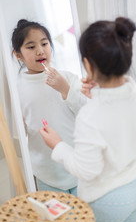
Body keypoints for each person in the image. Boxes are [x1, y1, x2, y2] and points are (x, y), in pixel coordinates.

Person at [40, 17, 136, 222]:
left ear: (87, 64)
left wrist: (58, 145)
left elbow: (86, 170)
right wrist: (98, 90)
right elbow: (117, 119)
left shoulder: (90, 115)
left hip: (108, 199)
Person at [11, 19, 86, 195]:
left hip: (77, 166)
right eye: (31, 47)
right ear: (18, 55)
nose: (40, 50)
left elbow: (87, 112)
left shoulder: (67, 77)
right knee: (58, 221)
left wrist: (65, 89)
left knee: (84, 218)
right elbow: (18, 133)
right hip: (46, 172)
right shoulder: (17, 90)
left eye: (44, 43)